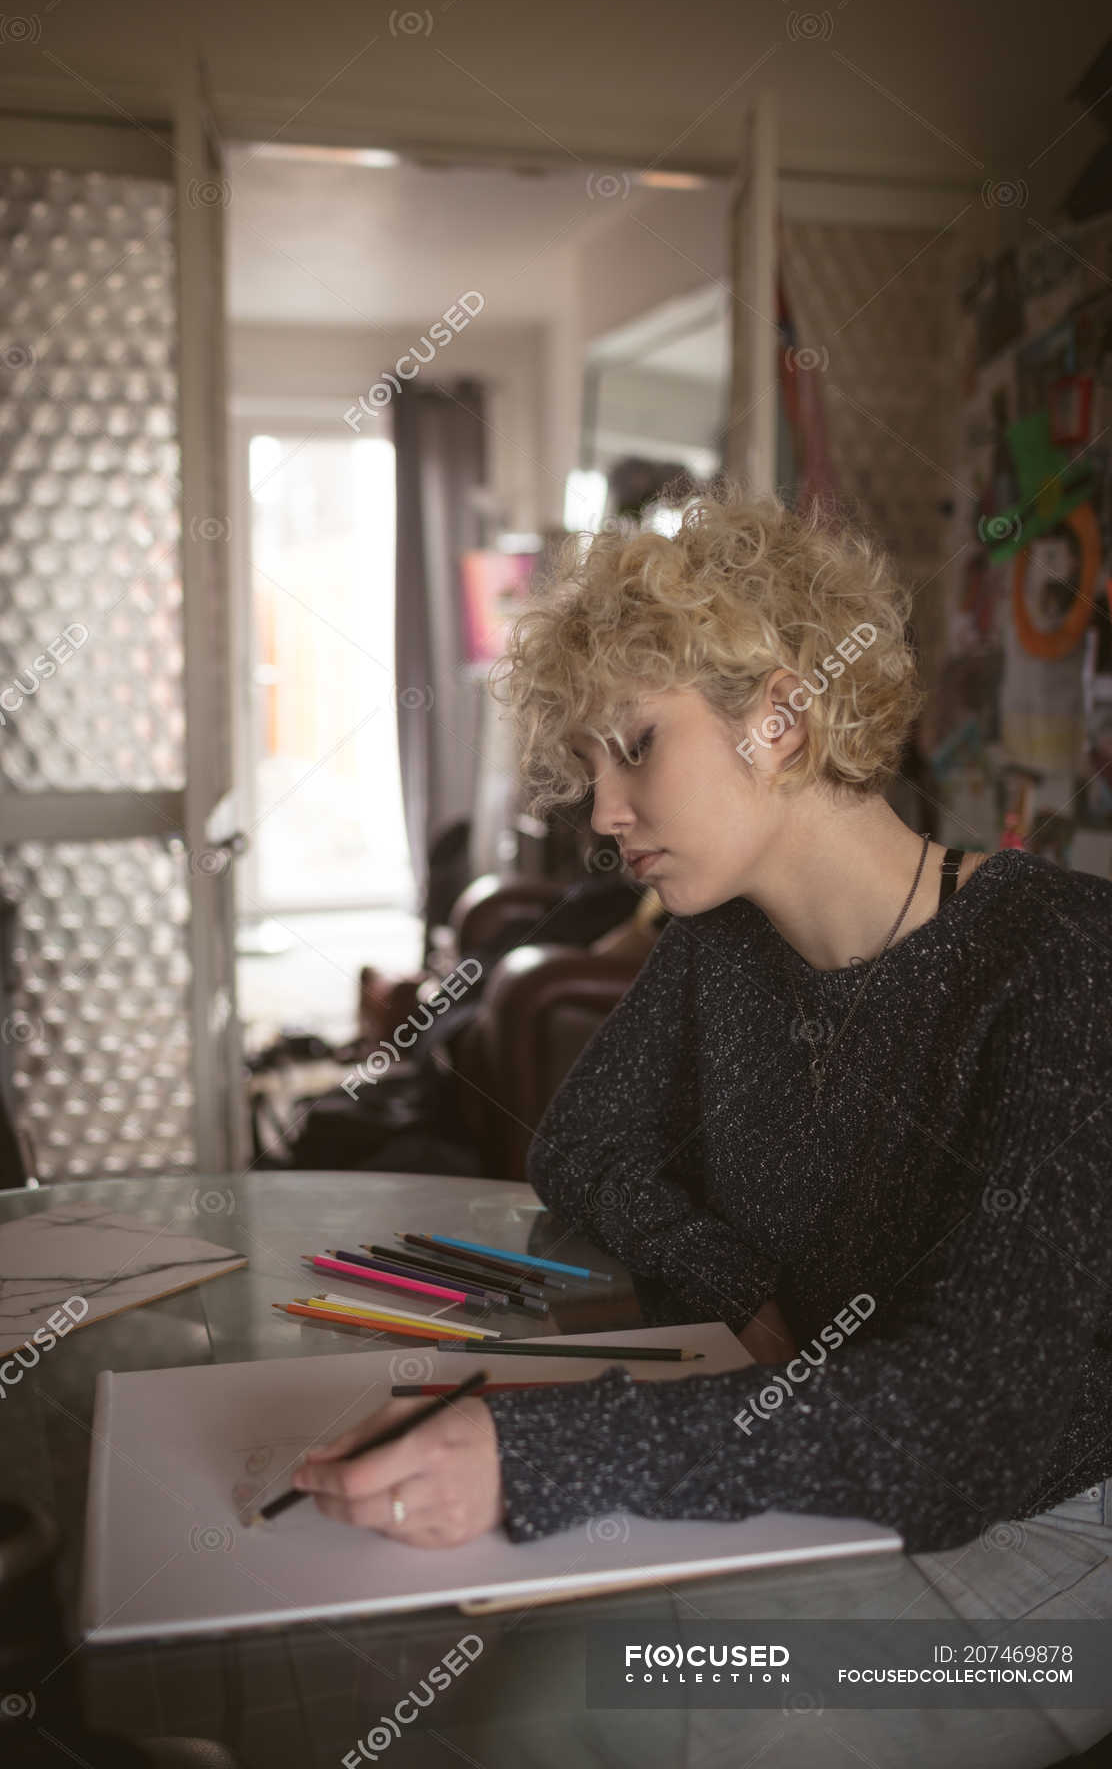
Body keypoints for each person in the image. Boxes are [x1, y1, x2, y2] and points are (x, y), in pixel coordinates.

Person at [290, 478, 1112, 1572]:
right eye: (587, 769)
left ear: (780, 720)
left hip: (1032, 1534)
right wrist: (745, 1292)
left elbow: (962, 1429)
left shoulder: (1062, 957)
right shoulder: (719, 942)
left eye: (634, 744)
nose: (604, 814)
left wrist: (537, 1453)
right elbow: (582, 1149)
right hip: (787, 1466)